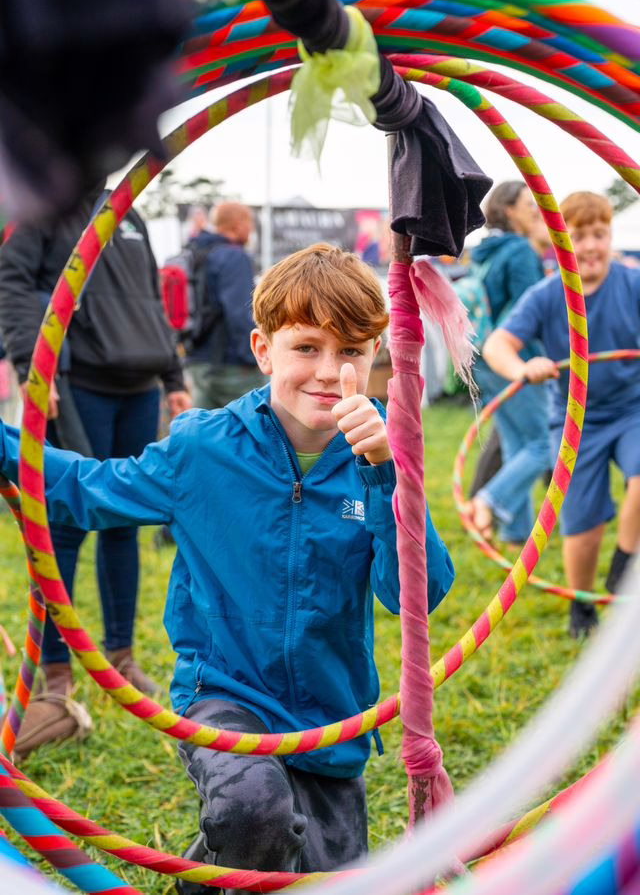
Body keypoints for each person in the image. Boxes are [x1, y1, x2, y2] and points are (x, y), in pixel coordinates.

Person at [0, 243, 455, 886]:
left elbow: (417, 595)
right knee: (253, 813)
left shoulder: (382, 455)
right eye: (307, 347)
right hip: (224, 695)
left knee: (321, 877)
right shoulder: (201, 448)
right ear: (264, 349)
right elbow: (86, 490)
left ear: (374, 354)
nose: (328, 371)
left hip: (332, 717)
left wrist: (387, 477)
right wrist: (4, 444)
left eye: (350, 350)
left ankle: (207, 871)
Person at [0, 185, 191, 755]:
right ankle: (56, 672)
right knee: (63, 523)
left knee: (123, 522)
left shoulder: (127, 207)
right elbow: (10, 282)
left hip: (138, 387)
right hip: (76, 386)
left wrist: (175, 379)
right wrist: (35, 368)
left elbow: (150, 301)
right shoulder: (46, 200)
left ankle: (121, 655)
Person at [482, 191, 640, 638]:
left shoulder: (631, 282)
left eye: (599, 235)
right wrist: (523, 367)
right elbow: (497, 345)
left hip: (632, 408)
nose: (590, 246)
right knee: (582, 526)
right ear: (560, 241)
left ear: (611, 236)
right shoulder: (547, 295)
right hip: (576, 421)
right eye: (579, 236)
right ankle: (583, 606)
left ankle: (626, 564)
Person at [467, 181, 550, 546]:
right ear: (510, 210)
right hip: (515, 358)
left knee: (518, 443)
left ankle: (516, 531)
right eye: (529, 204)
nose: (537, 210)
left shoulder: (487, 252)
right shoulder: (519, 251)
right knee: (542, 445)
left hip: (484, 358)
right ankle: (489, 499)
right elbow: (529, 313)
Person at [185, 200, 265, 409]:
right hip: (229, 364)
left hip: (198, 359)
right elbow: (240, 313)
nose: (251, 230)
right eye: (250, 224)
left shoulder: (197, 250)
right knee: (263, 421)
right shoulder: (234, 256)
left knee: (205, 429)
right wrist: (254, 356)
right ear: (239, 224)